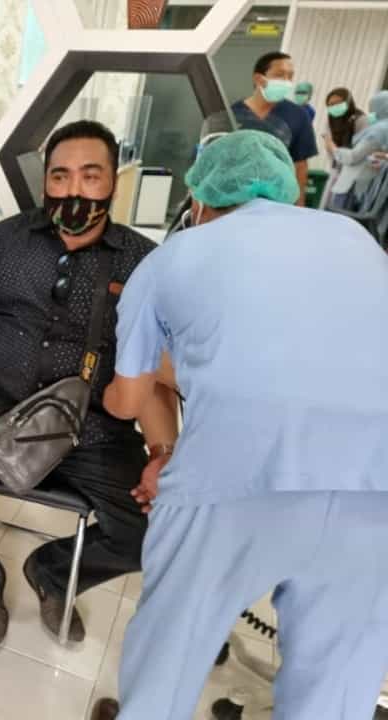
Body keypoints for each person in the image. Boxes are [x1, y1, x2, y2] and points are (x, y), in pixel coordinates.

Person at [90, 130, 388, 720]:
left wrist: (132, 390)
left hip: (232, 484)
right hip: (374, 488)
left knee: (169, 658)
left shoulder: (172, 257)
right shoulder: (356, 240)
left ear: (200, 197)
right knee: (332, 693)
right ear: (286, 190)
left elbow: (127, 401)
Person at [0, 120, 179, 655]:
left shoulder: (144, 263)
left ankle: (51, 571)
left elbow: (157, 371)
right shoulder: (2, 241)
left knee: (156, 526)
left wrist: (163, 451)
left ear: (114, 182)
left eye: (90, 176)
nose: (73, 190)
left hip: (95, 431)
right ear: (45, 180)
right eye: (60, 176)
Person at [231, 52, 318, 204]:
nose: (286, 81)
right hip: (233, 198)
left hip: (275, 202)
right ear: (258, 79)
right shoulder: (233, 114)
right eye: (279, 75)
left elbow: (300, 166)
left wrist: (298, 206)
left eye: (290, 76)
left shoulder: (298, 116)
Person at [326, 90, 388, 210]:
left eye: (372, 109)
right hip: (370, 187)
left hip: (354, 187)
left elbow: (353, 157)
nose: (370, 113)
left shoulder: (379, 130)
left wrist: (332, 148)